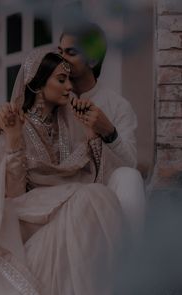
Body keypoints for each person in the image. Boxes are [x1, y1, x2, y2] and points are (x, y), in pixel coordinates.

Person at [0, 49, 125, 295]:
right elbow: (13, 191)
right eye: (61, 80)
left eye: (70, 80)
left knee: (96, 196)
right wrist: (13, 138)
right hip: (28, 214)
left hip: (66, 206)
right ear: (37, 85)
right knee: (90, 197)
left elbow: (95, 179)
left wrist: (93, 135)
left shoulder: (69, 125)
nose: (69, 87)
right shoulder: (18, 122)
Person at [57, 21, 145, 236]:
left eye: (71, 52)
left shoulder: (118, 105)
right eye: (59, 52)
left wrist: (109, 131)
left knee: (129, 176)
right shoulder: (52, 96)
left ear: (93, 59)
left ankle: (134, 261)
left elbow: (131, 162)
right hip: (60, 185)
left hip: (103, 188)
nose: (62, 59)